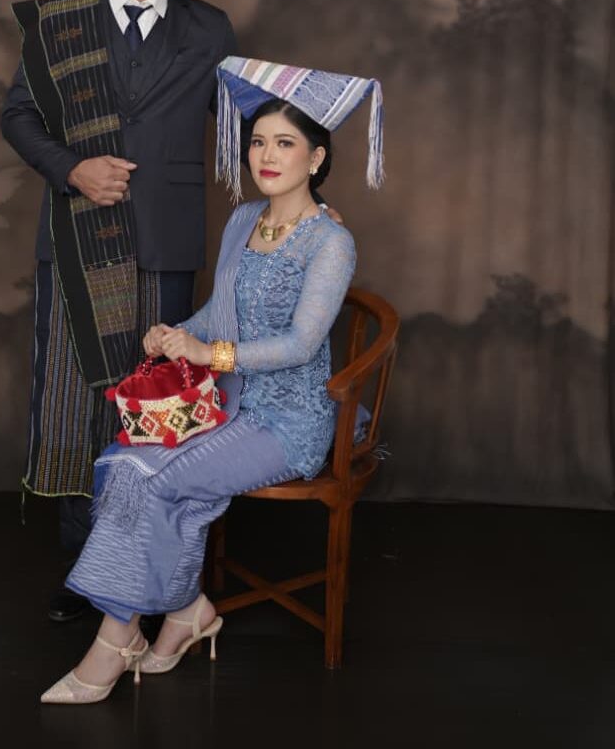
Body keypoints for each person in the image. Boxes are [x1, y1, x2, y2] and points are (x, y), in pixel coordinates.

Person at [39, 57, 384, 704]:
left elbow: (301, 345)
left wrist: (209, 352)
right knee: (121, 463)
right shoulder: (242, 221)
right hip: (225, 402)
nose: (266, 155)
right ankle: (185, 610)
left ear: (315, 158)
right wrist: (174, 333)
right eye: (258, 142)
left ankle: (115, 639)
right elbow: (219, 314)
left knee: (157, 479)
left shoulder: (329, 243)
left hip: (286, 420)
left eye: (285, 143)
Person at [0, 0, 237, 622]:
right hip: (77, 236)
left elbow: (245, 125)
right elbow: (18, 115)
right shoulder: (57, 24)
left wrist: (305, 187)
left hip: (166, 242)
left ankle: (151, 574)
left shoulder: (210, 27)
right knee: (76, 407)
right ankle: (84, 577)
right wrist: (71, 169)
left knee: (152, 409)